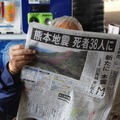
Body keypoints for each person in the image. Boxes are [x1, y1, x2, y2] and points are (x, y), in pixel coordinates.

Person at [0, 15, 83, 120]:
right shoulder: (27, 61)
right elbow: (6, 105)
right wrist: (12, 70)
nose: (66, 49)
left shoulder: (80, 67)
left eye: (73, 43)